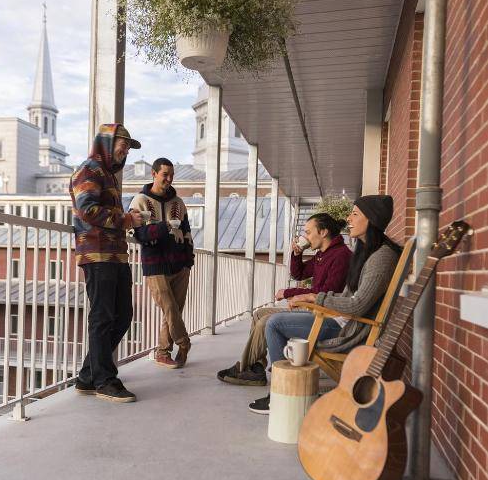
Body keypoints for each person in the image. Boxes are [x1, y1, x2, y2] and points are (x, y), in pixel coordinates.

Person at [249, 195, 400, 414]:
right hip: (338, 318)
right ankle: (287, 386)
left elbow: (357, 305)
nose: (348, 218)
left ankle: (280, 395)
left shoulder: (380, 258)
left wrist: (313, 298)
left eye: (355, 214)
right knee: (272, 320)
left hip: (346, 328)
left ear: (372, 219)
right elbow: (303, 275)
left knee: (273, 323)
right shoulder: (366, 252)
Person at [217, 213, 351, 387]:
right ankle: (256, 366)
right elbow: (299, 274)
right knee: (260, 314)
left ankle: (246, 368)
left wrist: (289, 292)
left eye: (308, 232)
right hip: (314, 309)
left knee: (267, 321)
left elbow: (324, 293)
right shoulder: (322, 254)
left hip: (325, 315)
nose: (306, 237)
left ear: (323, 232)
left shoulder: (341, 256)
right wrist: (297, 254)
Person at [70, 123, 143, 402]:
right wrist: (126, 220)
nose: (124, 151)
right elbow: (87, 209)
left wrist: (128, 218)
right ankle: (104, 380)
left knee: (122, 315)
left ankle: (88, 376)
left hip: (114, 253)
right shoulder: (89, 170)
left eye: (126, 147)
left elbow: (100, 210)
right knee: (103, 317)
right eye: (120, 145)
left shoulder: (107, 175)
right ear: (104, 143)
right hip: (98, 255)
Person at [130, 158, 194, 368]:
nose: (169, 179)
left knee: (175, 309)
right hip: (154, 264)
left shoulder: (179, 203)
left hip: (180, 264)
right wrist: (164, 227)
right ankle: (184, 343)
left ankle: (163, 351)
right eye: (165, 174)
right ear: (154, 174)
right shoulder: (139, 200)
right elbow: (138, 234)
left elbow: (186, 232)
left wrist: (188, 260)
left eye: (171, 175)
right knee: (169, 307)